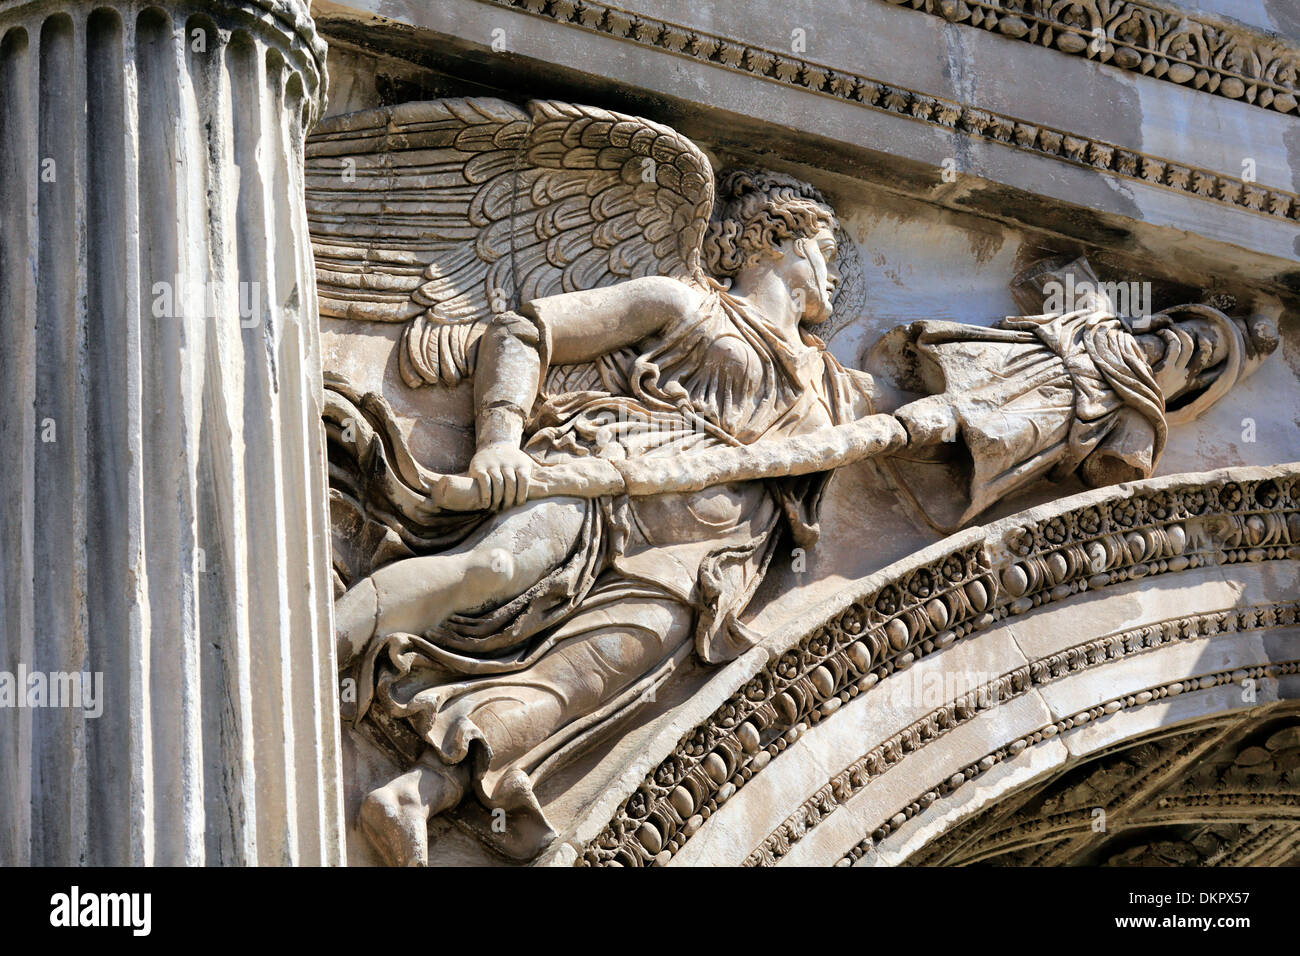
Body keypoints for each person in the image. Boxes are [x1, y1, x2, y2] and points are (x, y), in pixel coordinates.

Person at [333, 169, 884, 865]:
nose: (833, 277)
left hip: (703, 567)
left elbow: (916, 427)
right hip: (609, 483)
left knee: (572, 690)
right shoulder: (685, 305)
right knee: (488, 570)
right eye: (824, 254)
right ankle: (314, 653)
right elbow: (524, 330)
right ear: (774, 240)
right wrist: (500, 441)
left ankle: (416, 794)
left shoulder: (839, 389)